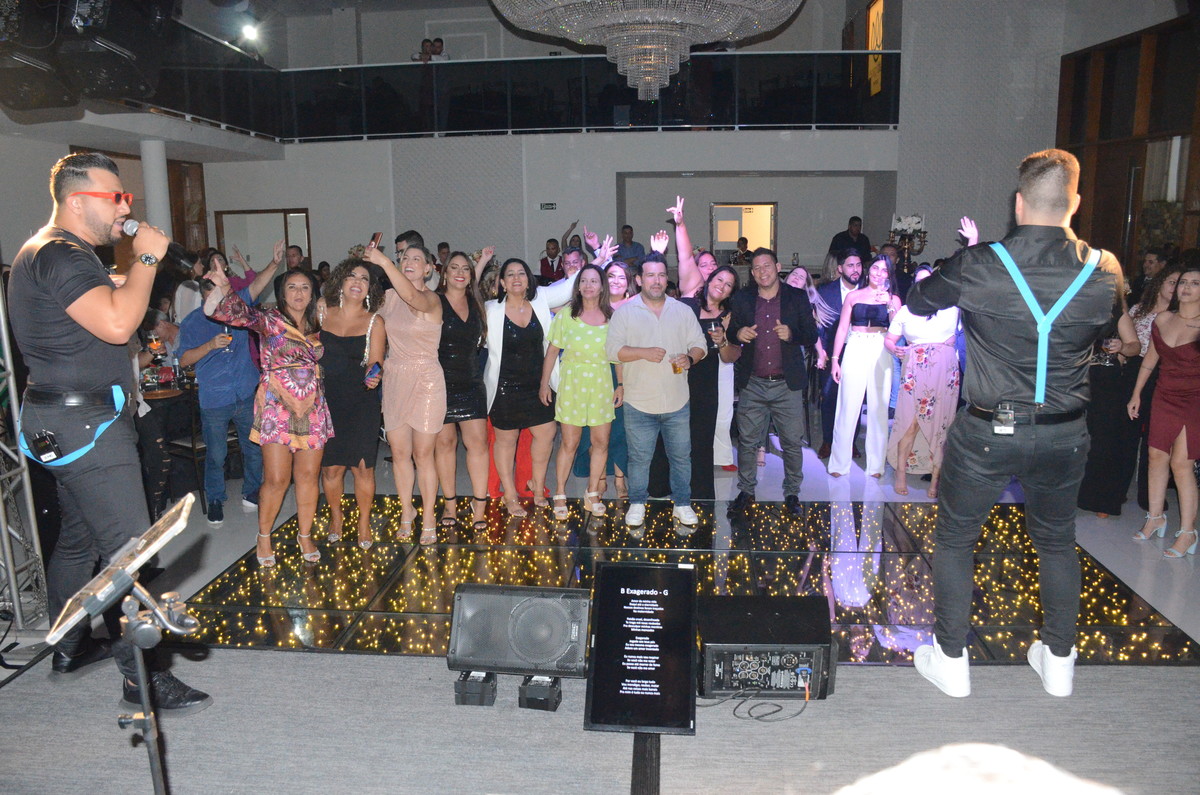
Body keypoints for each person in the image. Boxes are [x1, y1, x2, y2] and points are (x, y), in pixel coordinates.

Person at [909, 148, 1124, 699]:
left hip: (988, 430)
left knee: (956, 539)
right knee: (1056, 541)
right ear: (1075, 202)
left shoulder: (980, 263)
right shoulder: (1104, 268)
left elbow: (919, 301)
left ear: (1019, 202)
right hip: (1065, 433)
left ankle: (951, 662)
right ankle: (1059, 662)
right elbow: (1109, 330)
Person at [10, 151, 209, 711]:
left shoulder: (55, 252)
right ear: (78, 201)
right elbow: (120, 322)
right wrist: (145, 255)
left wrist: (139, 269)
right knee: (131, 551)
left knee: (78, 541)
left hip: (64, 419)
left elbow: (108, 300)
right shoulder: (60, 254)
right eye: (114, 197)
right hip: (86, 426)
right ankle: (141, 677)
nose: (125, 207)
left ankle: (68, 644)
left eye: (126, 197)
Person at [206, 258, 331, 567]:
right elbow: (239, 314)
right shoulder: (270, 319)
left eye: (305, 287)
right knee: (276, 479)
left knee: (308, 477)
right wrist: (225, 286)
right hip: (277, 406)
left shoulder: (319, 323)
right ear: (282, 293)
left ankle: (305, 535)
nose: (299, 293)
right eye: (292, 287)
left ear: (313, 293)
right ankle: (264, 536)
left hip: (312, 406)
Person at [606, 253, 707, 530]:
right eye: (650, 275)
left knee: (681, 458)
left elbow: (700, 344)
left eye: (661, 275)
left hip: (677, 400)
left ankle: (682, 503)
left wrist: (691, 357)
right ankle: (637, 502)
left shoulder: (681, 310)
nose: (657, 280)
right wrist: (643, 352)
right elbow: (612, 351)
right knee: (639, 459)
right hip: (639, 401)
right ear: (639, 280)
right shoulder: (625, 312)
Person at [178, 248, 277, 525]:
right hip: (215, 398)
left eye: (224, 294)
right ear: (205, 296)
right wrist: (210, 345)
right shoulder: (192, 322)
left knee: (253, 447)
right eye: (216, 296)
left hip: (245, 391)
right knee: (216, 454)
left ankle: (251, 492)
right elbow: (184, 360)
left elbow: (257, 285)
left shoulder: (237, 308)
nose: (222, 301)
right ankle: (216, 500)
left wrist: (274, 262)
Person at [484, 257, 581, 516]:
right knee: (506, 440)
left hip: (538, 384)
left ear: (529, 280)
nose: (516, 278)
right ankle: (510, 495)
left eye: (521, 273)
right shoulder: (490, 309)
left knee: (546, 433)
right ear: (502, 283)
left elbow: (568, 288)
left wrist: (600, 258)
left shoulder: (540, 301)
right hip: (504, 387)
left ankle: (537, 487)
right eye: (510, 274)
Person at [362, 243, 445, 545]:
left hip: (426, 379)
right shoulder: (387, 297)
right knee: (399, 453)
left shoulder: (431, 299)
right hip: (396, 377)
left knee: (423, 454)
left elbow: (412, 296)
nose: (409, 262)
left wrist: (383, 262)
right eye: (404, 258)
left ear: (428, 268)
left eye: (416, 259)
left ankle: (429, 516)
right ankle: (407, 510)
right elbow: (366, 320)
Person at [726, 248, 819, 516]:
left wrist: (792, 334)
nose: (762, 272)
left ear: (777, 267)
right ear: (752, 273)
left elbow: (811, 334)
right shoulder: (743, 298)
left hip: (786, 384)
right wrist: (738, 333)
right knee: (747, 441)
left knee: (791, 442)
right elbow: (731, 332)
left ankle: (792, 493)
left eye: (766, 266)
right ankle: (746, 491)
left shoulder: (796, 297)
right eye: (756, 268)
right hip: (753, 382)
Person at [1127, 262, 1200, 559]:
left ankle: (1188, 532)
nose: (1186, 287)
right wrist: (1136, 393)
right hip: (1163, 395)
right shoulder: (1163, 318)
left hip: (1194, 399)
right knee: (1156, 456)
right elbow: (1150, 359)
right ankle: (1155, 517)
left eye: (1195, 283)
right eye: (1183, 282)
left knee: (1182, 465)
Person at [540, 264, 621, 518]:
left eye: (594, 281)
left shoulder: (612, 317)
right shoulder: (567, 315)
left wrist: (620, 385)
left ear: (602, 286)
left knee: (601, 442)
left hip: (601, 385)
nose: (588, 285)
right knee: (569, 443)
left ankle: (592, 492)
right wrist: (544, 383)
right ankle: (560, 493)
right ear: (578, 286)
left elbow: (617, 355)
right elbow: (552, 351)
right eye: (584, 281)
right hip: (572, 385)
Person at [317, 258, 385, 549]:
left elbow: (376, 362)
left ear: (370, 288)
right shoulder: (322, 312)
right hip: (326, 401)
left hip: (361, 403)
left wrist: (374, 376)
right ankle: (336, 518)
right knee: (330, 468)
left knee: (362, 468)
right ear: (341, 281)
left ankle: (364, 522)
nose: (358, 282)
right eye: (352, 276)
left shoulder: (374, 321)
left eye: (364, 279)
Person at [884, 264, 962, 497]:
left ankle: (936, 480)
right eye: (920, 281)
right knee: (910, 422)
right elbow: (889, 339)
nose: (924, 285)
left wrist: (954, 339)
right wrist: (895, 349)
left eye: (928, 280)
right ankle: (900, 472)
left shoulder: (951, 307)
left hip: (945, 372)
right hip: (915, 371)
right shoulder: (906, 311)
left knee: (942, 425)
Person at [434, 248, 493, 532]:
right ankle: (450, 504)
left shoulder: (477, 302)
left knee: (478, 444)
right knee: (445, 445)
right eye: (454, 268)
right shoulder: (434, 301)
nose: (460, 273)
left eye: (465, 269)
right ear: (444, 273)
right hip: (439, 384)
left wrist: (481, 263)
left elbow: (474, 282)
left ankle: (479, 505)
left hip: (471, 382)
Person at [828, 255, 901, 479]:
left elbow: (897, 328)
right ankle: (839, 463)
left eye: (884, 270)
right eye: (876, 268)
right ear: (869, 271)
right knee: (848, 404)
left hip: (881, 347)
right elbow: (842, 329)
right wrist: (835, 359)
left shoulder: (894, 299)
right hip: (856, 345)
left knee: (879, 407)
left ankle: (876, 465)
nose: (879, 273)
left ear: (889, 275)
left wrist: (889, 303)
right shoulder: (854, 296)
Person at [1127, 266, 1182, 511]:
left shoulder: (1179, 316)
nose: (1176, 287)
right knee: (1127, 433)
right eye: (1172, 281)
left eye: (1180, 283)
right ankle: (1117, 489)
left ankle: (1150, 497)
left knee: (1155, 439)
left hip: (1163, 374)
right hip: (1134, 371)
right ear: (1160, 283)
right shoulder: (1139, 310)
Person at [816, 250, 864, 459]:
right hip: (832, 350)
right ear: (840, 269)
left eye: (858, 265)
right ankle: (828, 440)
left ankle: (850, 442)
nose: (855, 270)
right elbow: (818, 325)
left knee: (855, 397)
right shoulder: (826, 291)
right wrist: (821, 352)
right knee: (829, 397)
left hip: (860, 350)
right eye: (850, 265)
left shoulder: (868, 290)